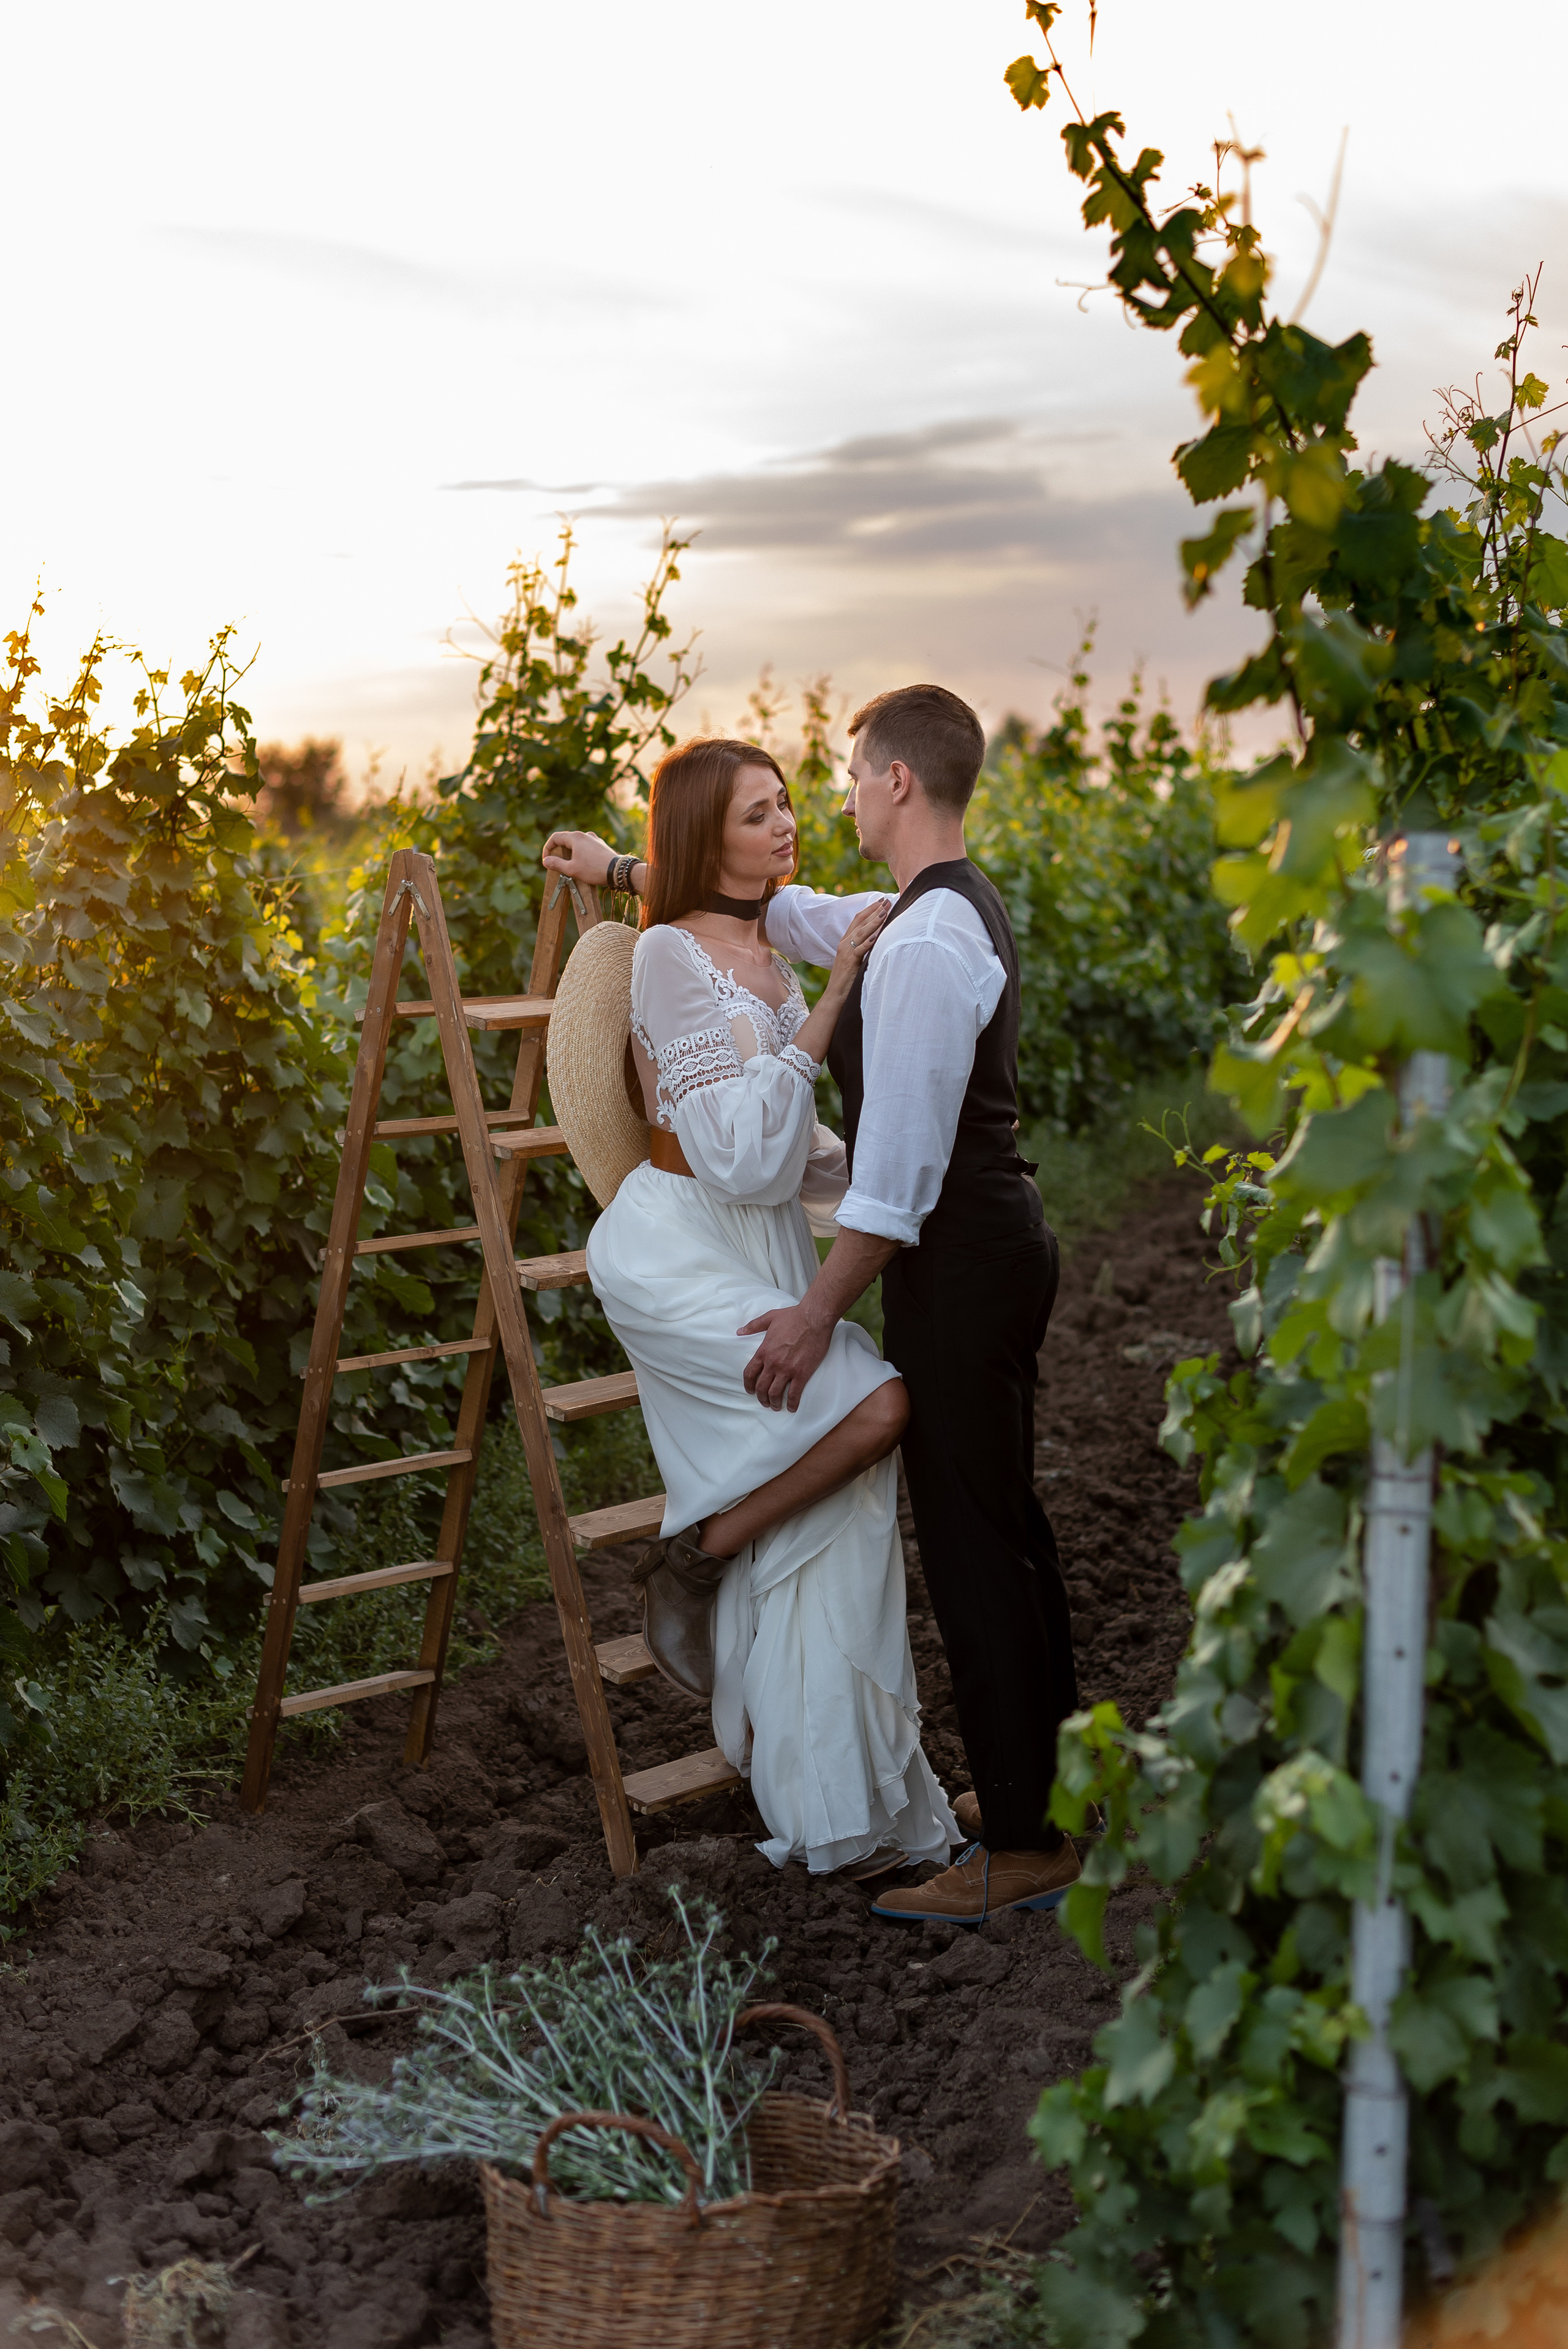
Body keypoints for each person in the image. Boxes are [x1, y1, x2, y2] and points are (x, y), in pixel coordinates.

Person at [547, 684, 1080, 1926]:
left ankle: (1023, 1833)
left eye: (832, 778)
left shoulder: (924, 941)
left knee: (973, 1542)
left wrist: (814, 1307)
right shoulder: (900, 918)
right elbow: (763, 912)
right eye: (771, 804)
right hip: (902, 1245)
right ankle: (1035, 1803)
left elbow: (886, 1181)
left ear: (894, 782)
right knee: (991, 1530)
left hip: (952, 1250)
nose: (817, 805)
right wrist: (628, 863)